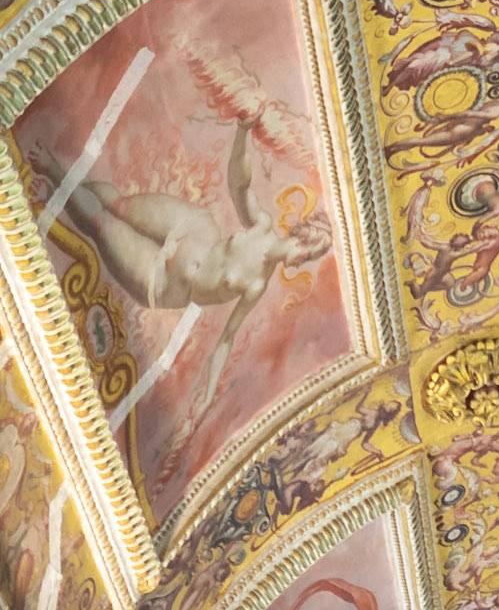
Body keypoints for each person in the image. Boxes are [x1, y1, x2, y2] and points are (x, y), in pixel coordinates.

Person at [32, 117, 331, 435]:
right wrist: (243, 131)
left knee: (103, 227)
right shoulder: (262, 226)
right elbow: (238, 185)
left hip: (163, 280)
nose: (303, 263)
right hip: (190, 226)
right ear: (302, 238)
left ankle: (52, 170)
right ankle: (64, 196)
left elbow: (226, 340)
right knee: (115, 204)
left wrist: (205, 400)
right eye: (308, 254)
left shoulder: (258, 284)